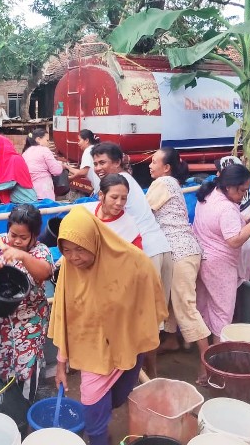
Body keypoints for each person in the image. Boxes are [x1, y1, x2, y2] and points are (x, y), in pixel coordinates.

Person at [49, 206, 167, 445]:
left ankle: (103, 428)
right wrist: (61, 365)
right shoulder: (69, 270)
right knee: (92, 409)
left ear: (94, 241)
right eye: (67, 250)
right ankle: (100, 437)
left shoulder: (131, 261)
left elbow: (148, 294)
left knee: (117, 397)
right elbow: (65, 318)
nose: (74, 257)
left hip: (126, 345)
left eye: (80, 249)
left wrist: (137, 329)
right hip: (91, 351)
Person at [91, 141, 171, 378]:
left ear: (117, 162)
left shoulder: (120, 189)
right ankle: (146, 374)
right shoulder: (126, 184)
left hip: (148, 253)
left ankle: (146, 375)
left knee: (145, 320)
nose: (97, 168)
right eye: (95, 163)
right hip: (159, 248)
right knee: (149, 319)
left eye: (103, 162)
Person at [0, 204, 53, 400]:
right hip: (1, 321)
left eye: (23, 237)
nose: (16, 241)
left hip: (29, 324)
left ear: (35, 235)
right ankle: (6, 401)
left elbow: (44, 272)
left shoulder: (41, 252)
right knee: (2, 364)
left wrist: (23, 256)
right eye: (13, 234)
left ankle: (26, 404)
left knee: (27, 369)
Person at [147, 147, 210, 382]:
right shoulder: (172, 183)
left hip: (180, 252)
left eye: (154, 162)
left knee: (185, 305)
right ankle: (172, 341)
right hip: (180, 251)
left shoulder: (163, 183)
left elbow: (144, 212)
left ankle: (206, 363)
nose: (150, 166)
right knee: (171, 303)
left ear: (167, 168)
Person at [193, 164, 250, 344]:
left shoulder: (210, 193)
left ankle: (204, 360)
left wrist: (246, 221)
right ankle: (217, 361)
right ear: (229, 186)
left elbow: (219, 226)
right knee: (222, 312)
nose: (244, 195)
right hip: (219, 265)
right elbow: (234, 240)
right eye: (242, 190)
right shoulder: (227, 208)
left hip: (201, 259)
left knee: (204, 307)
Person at [215, 155, 250, 284]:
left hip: (239, 243)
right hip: (247, 242)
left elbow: (234, 238)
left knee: (237, 283)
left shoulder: (232, 196)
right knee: (243, 281)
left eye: (219, 171)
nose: (216, 174)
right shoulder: (242, 191)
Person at [82, 173, 142, 248]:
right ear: (101, 195)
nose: (119, 203)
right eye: (114, 197)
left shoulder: (129, 228)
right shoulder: (86, 212)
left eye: (123, 198)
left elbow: (137, 257)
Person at [0, 135, 37, 204]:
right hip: (17, 202)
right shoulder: (5, 162)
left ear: (0, 149)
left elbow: (10, 182)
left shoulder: (15, 159)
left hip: (27, 201)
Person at [22, 129, 64, 201]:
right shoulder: (44, 150)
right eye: (47, 140)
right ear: (38, 139)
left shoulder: (25, 153)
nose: (48, 143)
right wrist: (61, 165)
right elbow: (56, 171)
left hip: (30, 193)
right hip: (44, 191)